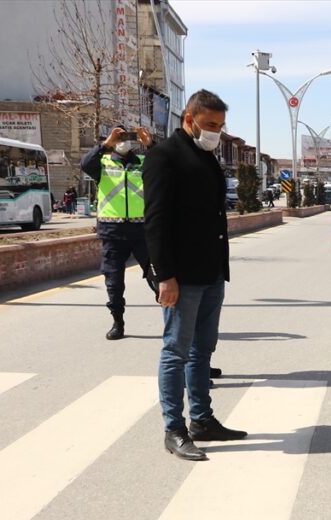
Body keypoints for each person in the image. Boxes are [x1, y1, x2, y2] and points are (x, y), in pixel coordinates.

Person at [144, 89, 247, 462]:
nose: (216, 132)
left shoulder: (206, 156)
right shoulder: (164, 156)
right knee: (175, 350)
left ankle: (202, 419)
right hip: (181, 276)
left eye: (220, 126)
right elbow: (155, 221)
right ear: (189, 119)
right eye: (209, 125)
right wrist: (164, 276)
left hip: (211, 272)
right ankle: (174, 428)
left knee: (203, 351)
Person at [81, 124, 158, 340]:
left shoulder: (143, 162)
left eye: (126, 136)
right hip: (113, 233)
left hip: (142, 232)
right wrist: (106, 144)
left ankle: (172, 322)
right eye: (119, 136)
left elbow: (166, 164)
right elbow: (85, 164)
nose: (123, 140)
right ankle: (118, 322)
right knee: (114, 283)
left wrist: (150, 144)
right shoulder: (102, 164)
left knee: (158, 277)